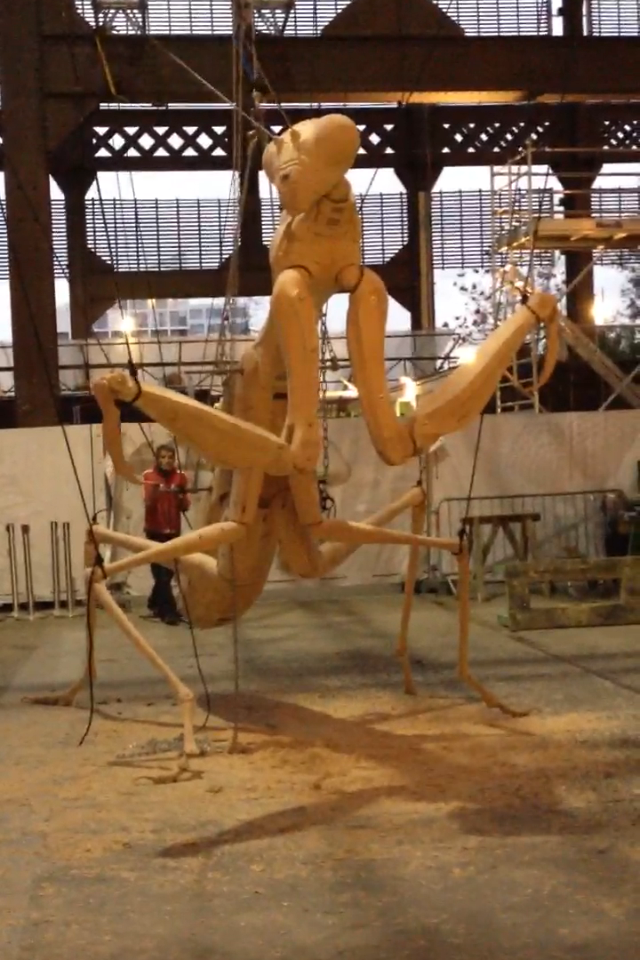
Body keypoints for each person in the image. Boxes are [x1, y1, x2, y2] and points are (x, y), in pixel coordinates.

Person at [143, 444, 191, 625]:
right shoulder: (148, 476)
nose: (167, 461)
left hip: (173, 531)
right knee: (160, 574)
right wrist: (155, 490)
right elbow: (148, 503)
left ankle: (154, 603)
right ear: (157, 459)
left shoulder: (180, 477)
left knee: (168, 573)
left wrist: (181, 496)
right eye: (163, 457)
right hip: (154, 530)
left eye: (170, 457)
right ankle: (169, 612)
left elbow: (185, 506)